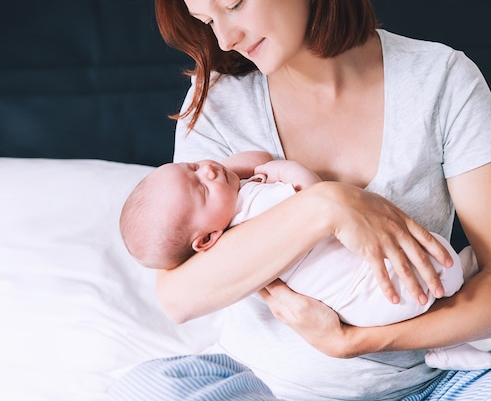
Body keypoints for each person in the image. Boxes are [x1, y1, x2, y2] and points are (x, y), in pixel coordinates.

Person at [103, 0, 491, 401]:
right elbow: (182, 296)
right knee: (146, 396)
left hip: (435, 395)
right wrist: (327, 205)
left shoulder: (441, 81)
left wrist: (356, 342)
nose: (225, 38)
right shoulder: (218, 104)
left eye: (234, 4)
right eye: (208, 20)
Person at [120, 152, 491, 372]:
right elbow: (318, 199)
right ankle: (451, 340)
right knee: (441, 270)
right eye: (201, 186)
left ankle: (448, 343)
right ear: (204, 240)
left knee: (438, 278)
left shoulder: (229, 213)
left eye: (193, 166)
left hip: (369, 313)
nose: (208, 170)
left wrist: (229, 172)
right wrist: (291, 175)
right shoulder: (252, 217)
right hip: (366, 293)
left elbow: (255, 161)